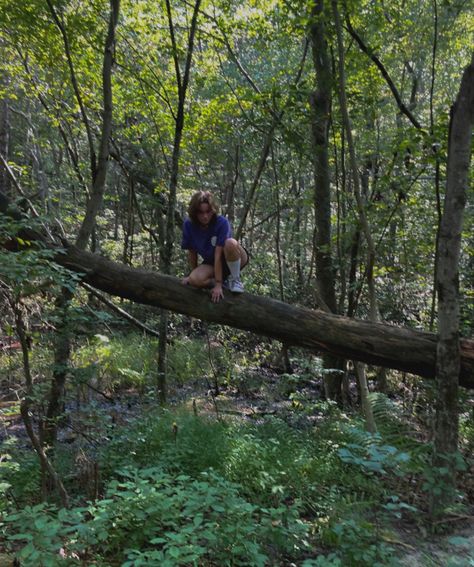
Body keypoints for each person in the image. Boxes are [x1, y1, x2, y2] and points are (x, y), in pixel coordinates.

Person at [181, 191, 248, 303]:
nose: (205, 216)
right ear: (194, 212)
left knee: (230, 242)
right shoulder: (189, 225)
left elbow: (218, 255)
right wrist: (192, 274)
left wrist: (218, 284)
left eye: (208, 211)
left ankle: (235, 279)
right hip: (211, 263)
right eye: (201, 213)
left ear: (213, 210)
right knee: (195, 279)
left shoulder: (221, 222)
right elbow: (192, 252)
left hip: (233, 256)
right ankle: (225, 282)